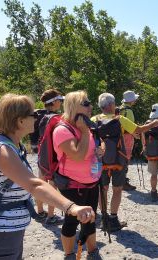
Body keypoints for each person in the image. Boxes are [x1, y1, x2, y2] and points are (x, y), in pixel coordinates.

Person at [0, 93, 95, 260]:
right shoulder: (2, 151)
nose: (37, 118)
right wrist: (71, 207)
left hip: (1, 229)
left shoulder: (8, 145)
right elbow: (34, 185)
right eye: (33, 115)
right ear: (19, 121)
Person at [92, 93, 158, 232]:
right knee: (117, 189)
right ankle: (113, 219)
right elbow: (139, 130)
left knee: (102, 190)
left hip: (100, 161)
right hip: (118, 159)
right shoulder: (120, 119)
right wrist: (155, 123)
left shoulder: (94, 119)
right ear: (111, 105)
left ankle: (104, 218)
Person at [52, 90, 103, 259]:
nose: (91, 106)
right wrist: (84, 130)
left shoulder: (86, 125)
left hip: (91, 182)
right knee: (72, 221)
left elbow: (97, 144)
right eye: (86, 103)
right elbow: (78, 156)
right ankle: (69, 254)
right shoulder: (63, 130)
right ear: (74, 106)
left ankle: (93, 251)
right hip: (72, 184)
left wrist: (101, 149)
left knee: (90, 217)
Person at [32, 89, 65, 225]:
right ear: (55, 102)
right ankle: (51, 216)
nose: (61, 103)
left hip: (40, 154)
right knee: (52, 186)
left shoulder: (36, 114)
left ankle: (40, 212)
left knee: (40, 182)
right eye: (60, 100)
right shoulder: (55, 118)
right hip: (52, 156)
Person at [119, 90, 140, 191]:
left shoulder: (120, 108)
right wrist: (135, 135)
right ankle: (123, 182)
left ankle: (120, 180)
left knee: (121, 157)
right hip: (127, 137)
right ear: (132, 100)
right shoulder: (129, 111)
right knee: (126, 158)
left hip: (119, 136)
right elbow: (129, 127)